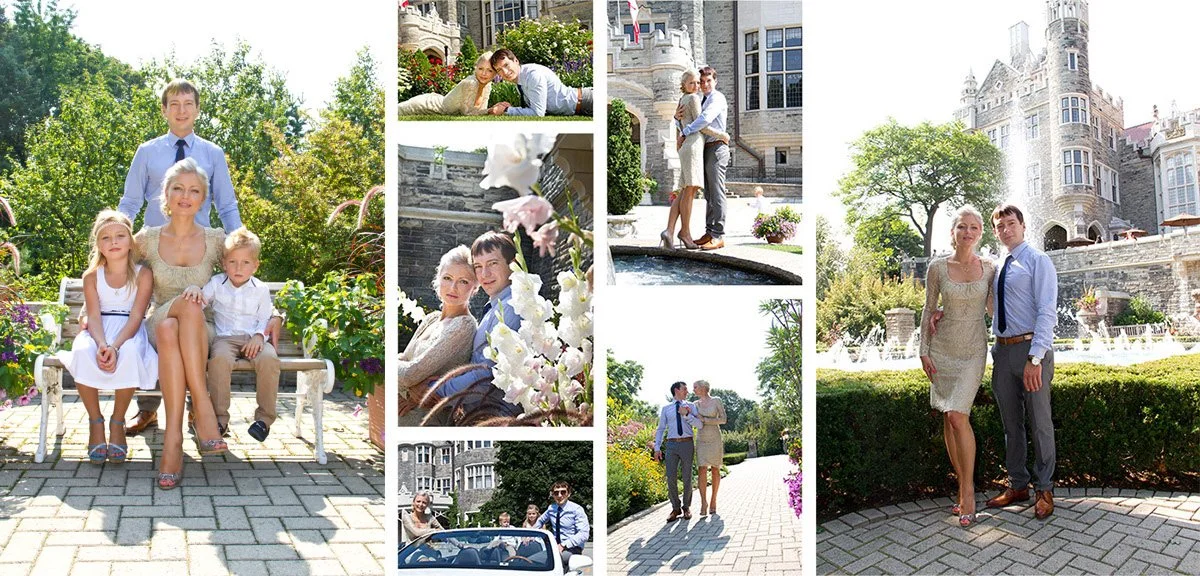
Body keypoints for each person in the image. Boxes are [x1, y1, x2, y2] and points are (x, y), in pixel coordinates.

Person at [120, 79, 249, 437]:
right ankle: (148, 409)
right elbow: (130, 203)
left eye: (187, 103)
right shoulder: (147, 152)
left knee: (190, 319)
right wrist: (118, 242)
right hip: (153, 254)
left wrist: (239, 247)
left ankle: (195, 411)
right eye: (173, 104)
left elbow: (226, 205)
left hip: (199, 257)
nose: (181, 110)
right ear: (163, 110)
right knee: (157, 320)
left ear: (197, 109)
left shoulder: (213, 153)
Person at [133, 158, 230, 489]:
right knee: (175, 315)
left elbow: (246, 277)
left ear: (203, 198)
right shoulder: (147, 238)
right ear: (166, 193)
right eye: (178, 188)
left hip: (200, 329)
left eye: (194, 190)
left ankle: (173, 440)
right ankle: (202, 406)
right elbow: (111, 265)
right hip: (159, 315)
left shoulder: (217, 239)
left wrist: (272, 315)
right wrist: (93, 307)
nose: (185, 196)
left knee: (177, 323)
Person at [55, 210, 157, 464]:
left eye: (120, 236)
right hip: (98, 329)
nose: (113, 242)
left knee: (131, 352)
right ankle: (96, 422)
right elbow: (94, 315)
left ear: (130, 241)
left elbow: (136, 316)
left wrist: (115, 346)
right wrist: (102, 344)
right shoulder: (92, 276)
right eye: (106, 238)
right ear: (98, 244)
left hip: (128, 331)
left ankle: (117, 421)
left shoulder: (143, 273)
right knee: (81, 351)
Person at [919, 206, 996, 527]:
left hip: (973, 350)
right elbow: (928, 309)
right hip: (943, 349)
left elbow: (996, 307)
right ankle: (962, 485)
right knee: (948, 418)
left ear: (981, 233)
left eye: (974, 227)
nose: (968, 232)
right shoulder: (937, 268)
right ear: (952, 232)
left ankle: (968, 491)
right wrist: (924, 350)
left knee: (956, 414)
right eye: (962, 226)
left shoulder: (991, 267)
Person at [984, 204, 1058, 520]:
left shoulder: (1038, 261)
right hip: (1001, 352)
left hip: (1031, 351)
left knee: (1040, 422)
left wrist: (1035, 358)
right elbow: (986, 306)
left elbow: (1047, 312)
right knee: (1010, 424)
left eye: (1010, 223)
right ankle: (1018, 484)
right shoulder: (997, 267)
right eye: (1000, 226)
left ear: (1023, 225)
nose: (1005, 230)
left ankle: (1044, 488)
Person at [417, 232, 524, 418]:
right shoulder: (495, 307)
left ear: (513, 264)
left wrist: (433, 389)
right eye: (478, 266)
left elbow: (486, 375)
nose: (485, 274)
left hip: (497, 415)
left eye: (492, 264)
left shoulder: (512, 308)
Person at [192, 227, 280, 442]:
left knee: (270, 360)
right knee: (219, 361)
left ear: (255, 265)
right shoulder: (216, 283)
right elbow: (201, 301)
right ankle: (220, 419)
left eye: (246, 263)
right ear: (224, 263)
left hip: (254, 339)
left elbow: (264, 317)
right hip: (225, 339)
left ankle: (264, 420)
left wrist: (259, 336)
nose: (238, 268)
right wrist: (194, 289)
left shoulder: (260, 289)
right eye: (233, 262)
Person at [397, 246, 479, 418]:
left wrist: (407, 381)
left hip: (427, 416)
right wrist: (411, 386)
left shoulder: (464, 325)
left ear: (475, 288)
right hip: (404, 405)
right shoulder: (432, 319)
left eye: (464, 281)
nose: (453, 287)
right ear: (438, 279)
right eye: (448, 278)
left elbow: (410, 373)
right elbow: (404, 360)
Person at [663, 70, 729, 250]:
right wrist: (678, 122)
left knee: (713, 192)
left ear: (715, 81)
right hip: (699, 147)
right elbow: (693, 121)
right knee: (699, 192)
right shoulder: (695, 99)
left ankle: (716, 234)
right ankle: (702, 232)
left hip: (715, 147)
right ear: (685, 84)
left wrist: (683, 129)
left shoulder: (716, 98)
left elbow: (704, 119)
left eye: (707, 81)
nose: (703, 85)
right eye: (700, 82)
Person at [487, 49, 593, 117]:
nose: (505, 72)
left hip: (588, 101)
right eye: (499, 70)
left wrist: (506, 110)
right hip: (580, 107)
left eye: (506, 65)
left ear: (516, 61)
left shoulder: (533, 75)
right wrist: (507, 107)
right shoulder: (521, 79)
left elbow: (537, 113)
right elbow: (534, 107)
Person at [653, 381, 703, 521]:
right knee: (671, 477)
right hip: (671, 445)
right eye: (685, 389)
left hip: (687, 443)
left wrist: (687, 415)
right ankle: (675, 508)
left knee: (687, 477)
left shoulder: (691, 406)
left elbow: (699, 424)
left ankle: (686, 507)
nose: (687, 391)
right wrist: (657, 448)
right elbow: (661, 429)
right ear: (676, 390)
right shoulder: (666, 409)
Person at [397, 51, 496, 116]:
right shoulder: (471, 83)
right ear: (476, 68)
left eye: (489, 70)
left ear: (495, 73)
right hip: (426, 104)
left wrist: (492, 109)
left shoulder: (488, 85)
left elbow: (480, 110)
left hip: (438, 99)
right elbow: (466, 114)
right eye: (480, 68)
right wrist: (490, 111)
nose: (484, 73)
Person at [533, 481, 590, 570]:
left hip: (572, 548)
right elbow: (540, 520)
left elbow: (583, 534)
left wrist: (563, 545)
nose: (559, 495)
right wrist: (532, 535)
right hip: (555, 547)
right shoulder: (551, 508)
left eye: (563, 492)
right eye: (556, 493)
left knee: (552, 562)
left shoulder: (577, 510)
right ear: (553, 495)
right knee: (529, 560)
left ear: (569, 494)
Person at [693, 379, 727, 516]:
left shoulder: (716, 400)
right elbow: (692, 420)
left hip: (714, 438)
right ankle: (703, 502)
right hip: (701, 438)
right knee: (701, 468)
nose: (693, 389)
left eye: (695, 387)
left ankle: (713, 500)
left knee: (715, 469)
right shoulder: (695, 404)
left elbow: (723, 419)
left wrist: (706, 420)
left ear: (703, 388)